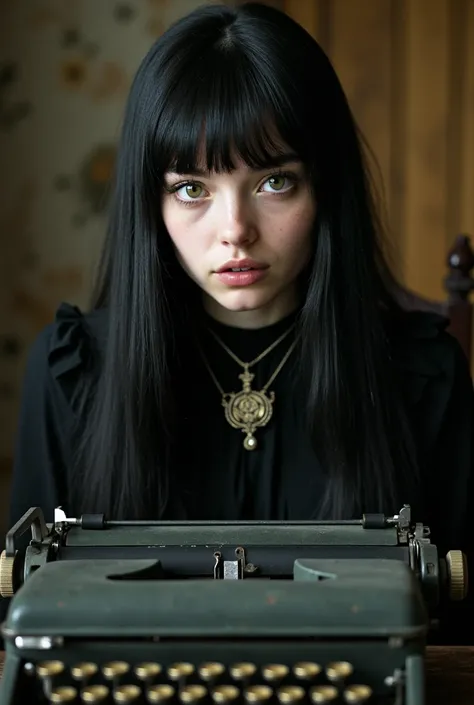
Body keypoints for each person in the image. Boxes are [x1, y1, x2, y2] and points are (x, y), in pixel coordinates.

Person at [2, 2, 473, 642]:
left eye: (275, 181)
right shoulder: (71, 373)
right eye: (192, 189)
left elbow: (455, 642)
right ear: (152, 202)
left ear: (326, 189)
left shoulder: (426, 376)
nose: (235, 233)